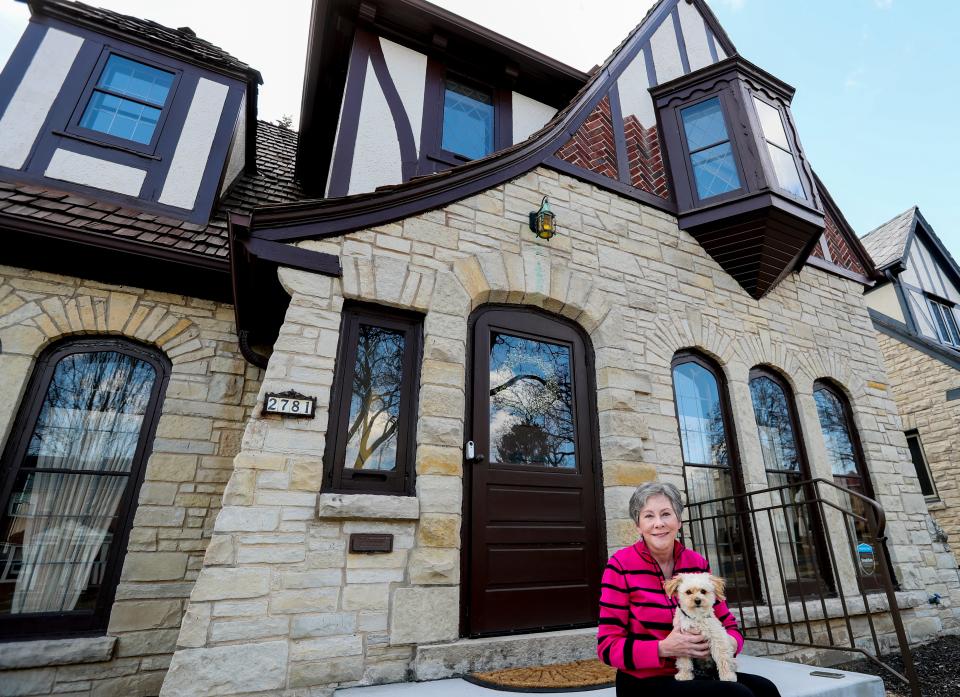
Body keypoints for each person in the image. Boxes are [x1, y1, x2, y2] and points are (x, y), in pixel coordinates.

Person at [598, 481, 781, 697]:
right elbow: (607, 647)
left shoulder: (697, 563)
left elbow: (729, 625)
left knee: (766, 689)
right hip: (644, 680)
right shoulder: (620, 565)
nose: (659, 523)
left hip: (701, 671)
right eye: (648, 516)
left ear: (679, 520)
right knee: (736, 696)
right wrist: (664, 648)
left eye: (666, 514)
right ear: (638, 525)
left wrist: (725, 643)